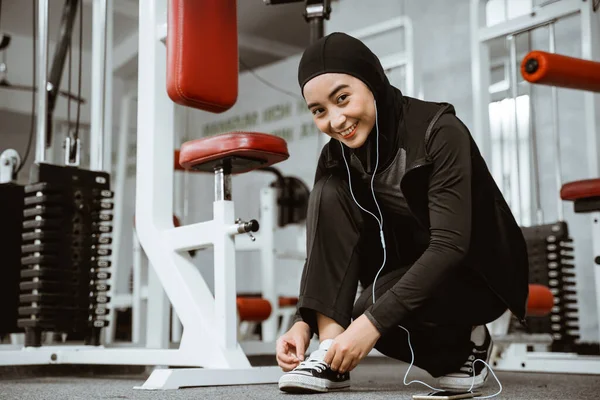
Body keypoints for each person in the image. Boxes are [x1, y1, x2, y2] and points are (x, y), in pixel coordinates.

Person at [275, 32, 529, 394]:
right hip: (404, 271)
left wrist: (369, 322)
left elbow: (450, 246)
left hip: (474, 274)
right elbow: (323, 247)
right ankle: (329, 352)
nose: (336, 120)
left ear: (373, 81)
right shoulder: (336, 156)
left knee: (374, 314)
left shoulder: (439, 131)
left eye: (342, 98)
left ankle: (471, 339)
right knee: (329, 192)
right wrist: (304, 322)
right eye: (319, 111)